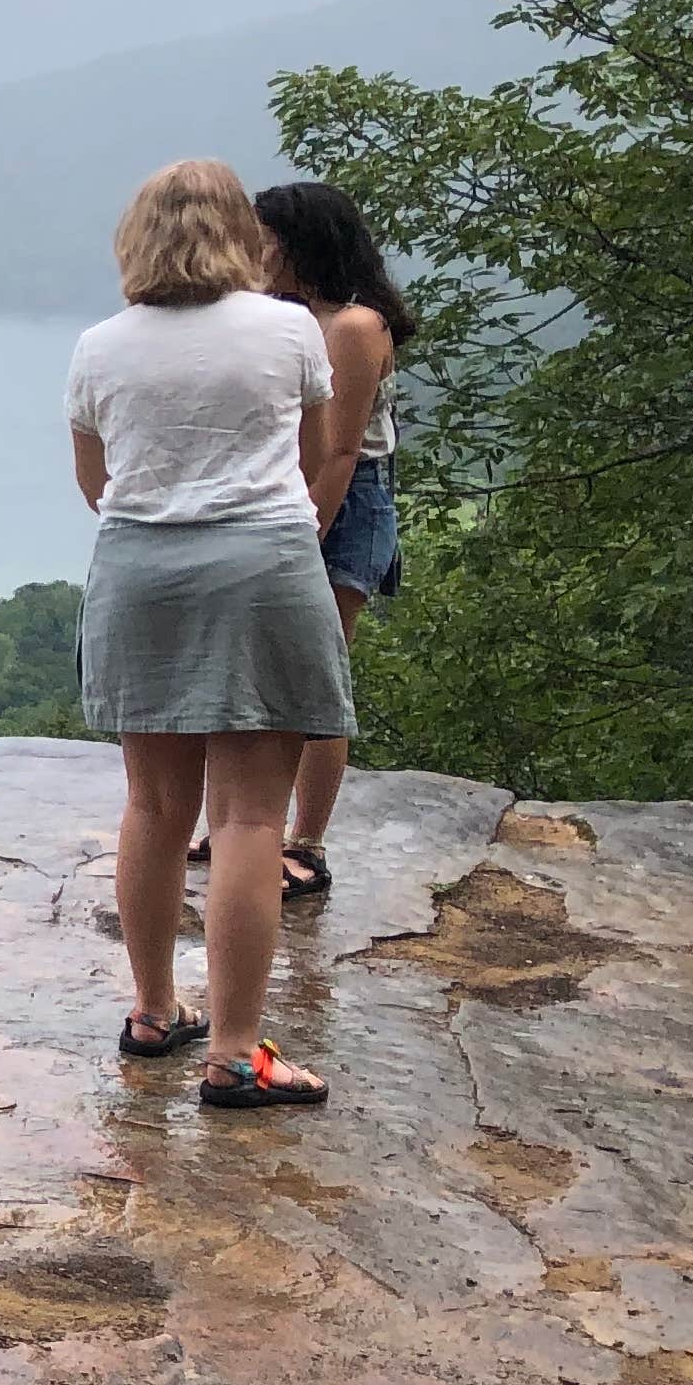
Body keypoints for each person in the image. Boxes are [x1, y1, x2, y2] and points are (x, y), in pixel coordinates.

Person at [68, 158, 352, 1108]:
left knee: (154, 807)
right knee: (249, 819)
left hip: (139, 569)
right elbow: (313, 461)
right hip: (263, 566)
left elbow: (94, 482)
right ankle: (234, 1055)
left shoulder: (100, 345)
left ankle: (155, 1014)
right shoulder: (288, 331)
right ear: (243, 236)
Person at [251, 179, 415, 901]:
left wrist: (302, 533)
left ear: (296, 243)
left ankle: (305, 846)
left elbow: (341, 451)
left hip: (341, 502)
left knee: (317, 679)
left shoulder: (352, 326)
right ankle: (245, 824)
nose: (252, 251)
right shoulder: (284, 318)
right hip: (286, 494)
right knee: (259, 676)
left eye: (263, 238)